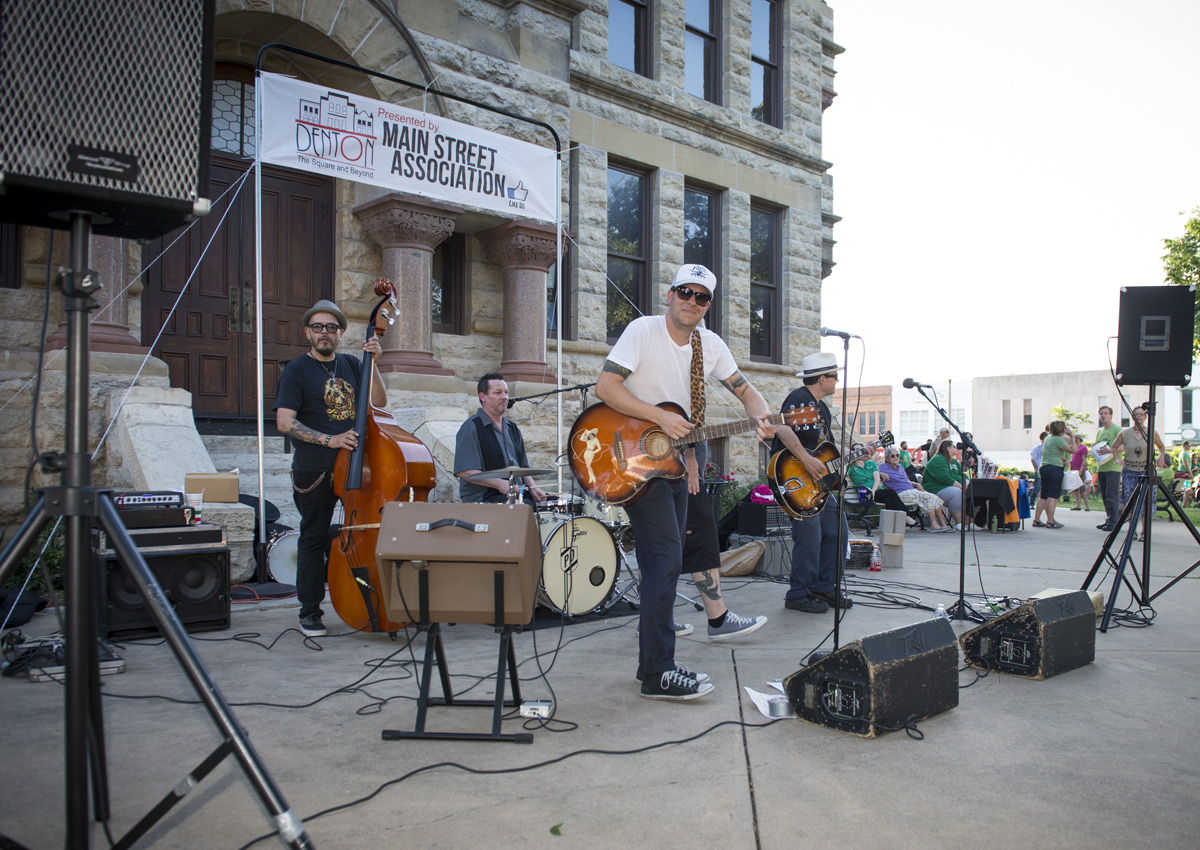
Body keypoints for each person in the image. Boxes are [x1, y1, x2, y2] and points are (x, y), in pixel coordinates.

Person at [595, 263, 773, 700]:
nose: (692, 302)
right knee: (666, 558)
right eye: (685, 293)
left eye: (702, 297)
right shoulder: (644, 330)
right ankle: (658, 671)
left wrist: (762, 417)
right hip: (632, 460)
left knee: (667, 562)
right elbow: (606, 386)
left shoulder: (707, 346)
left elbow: (745, 390)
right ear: (670, 295)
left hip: (673, 463)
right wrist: (660, 418)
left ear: (708, 306)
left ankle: (656, 664)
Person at [275, 299, 387, 638]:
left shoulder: (353, 364)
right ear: (308, 332)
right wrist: (330, 440)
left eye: (332, 328)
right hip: (315, 469)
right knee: (312, 538)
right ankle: (310, 610)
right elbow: (284, 422)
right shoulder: (297, 370)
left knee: (363, 534)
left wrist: (374, 364)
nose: (325, 333)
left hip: (354, 466)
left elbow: (378, 402)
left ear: (340, 334)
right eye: (319, 327)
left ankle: (368, 602)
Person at [771, 351, 855, 615]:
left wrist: (857, 450)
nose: (837, 381)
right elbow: (782, 428)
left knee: (837, 530)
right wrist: (806, 459)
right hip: (795, 480)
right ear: (822, 378)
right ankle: (799, 592)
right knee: (810, 536)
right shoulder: (798, 399)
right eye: (834, 377)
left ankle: (824, 586)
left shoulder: (823, 409)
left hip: (820, 482)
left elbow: (825, 448)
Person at [681, 449, 767, 640]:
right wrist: (690, 457)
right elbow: (686, 420)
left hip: (662, 473)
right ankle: (718, 619)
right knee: (703, 538)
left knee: (657, 543)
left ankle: (652, 622)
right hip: (680, 471)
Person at [454, 373, 547, 504]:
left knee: (555, 504)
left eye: (506, 393)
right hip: (483, 498)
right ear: (483, 397)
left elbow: (523, 467)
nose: (504, 397)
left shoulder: (512, 427)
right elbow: (465, 471)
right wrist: (500, 484)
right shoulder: (471, 427)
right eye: (498, 393)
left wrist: (533, 487)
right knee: (526, 506)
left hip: (515, 495)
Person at [1110, 404, 1168, 536]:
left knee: (1146, 502)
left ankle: (1144, 531)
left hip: (1146, 471)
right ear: (1132, 416)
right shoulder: (1124, 433)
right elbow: (1114, 447)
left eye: (1141, 414)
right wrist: (1118, 459)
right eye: (1136, 414)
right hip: (1130, 471)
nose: (1139, 417)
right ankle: (1132, 530)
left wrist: (1161, 456)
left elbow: (1161, 446)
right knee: (1131, 501)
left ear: (1145, 417)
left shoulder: (1152, 432)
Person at [878, 449, 950, 531]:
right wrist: (881, 474)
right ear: (887, 458)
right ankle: (934, 525)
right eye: (892, 456)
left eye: (897, 455)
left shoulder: (900, 467)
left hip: (911, 491)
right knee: (928, 497)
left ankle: (943, 524)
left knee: (934, 497)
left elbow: (907, 481)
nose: (896, 457)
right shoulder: (883, 467)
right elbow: (874, 472)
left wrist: (916, 484)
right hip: (899, 493)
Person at [846, 444, 913, 521]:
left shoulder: (871, 463)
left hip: (875, 492)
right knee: (890, 491)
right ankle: (906, 516)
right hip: (864, 494)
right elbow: (842, 474)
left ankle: (889, 526)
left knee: (889, 500)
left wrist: (873, 491)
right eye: (854, 450)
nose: (857, 452)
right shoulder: (850, 466)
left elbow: (877, 479)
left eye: (860, 450)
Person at [1032, 420, 1074, 529]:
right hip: (1054, 468)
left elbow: (1050, 452)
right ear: (1062, 430)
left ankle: (1036, 520)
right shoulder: (1058, 440)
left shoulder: (1048, 439)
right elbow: (1073, 450)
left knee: (1044, 495)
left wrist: (1061, 458)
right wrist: (1072, 435)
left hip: (1044, 467)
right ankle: (1050, 521)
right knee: (1053, 496)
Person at [922, 440, 965, 528]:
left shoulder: (955, 462)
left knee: (974, 490)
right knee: (956, 492)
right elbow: (944, 478)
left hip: (947, 487)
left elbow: (960, 476)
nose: (956, 449)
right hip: (935, 488)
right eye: (953, 446)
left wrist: (967, 484)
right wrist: (962, 487)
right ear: (948, 448)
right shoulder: (938, 459)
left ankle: (968, 523)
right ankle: (959, 523)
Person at [1094, 406, 1121, 531]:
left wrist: (1110, 450)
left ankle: (1114, 521)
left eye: (1106, 413)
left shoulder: (1117, 429)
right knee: (1104, 495)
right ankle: (1109, 518)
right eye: (1101, 413)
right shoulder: (1100, 431)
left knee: (1112, 494)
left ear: (1111, 415)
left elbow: (1124, 446)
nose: (1103, 416)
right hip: (1102, 467)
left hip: (1113, 467)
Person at [1067, 434, 1090, 511]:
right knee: (1075, 488)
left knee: (1081, 487)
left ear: (1078, 439)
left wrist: (1081, 470)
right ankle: (1078, 505)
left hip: (1079, 470)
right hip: (1073, 470)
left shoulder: (1083, 448)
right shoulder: (1074, 448)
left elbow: (1084, 460)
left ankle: (1087, 506)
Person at [1029, 431, 1047, 506]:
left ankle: (1043, 503)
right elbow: (1033, 459)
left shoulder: (1048, 447)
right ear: (1042, 439)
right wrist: (1036, 469)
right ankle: (1031, 502)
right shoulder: (1037, 448)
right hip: (1039, 469)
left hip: (1046, 469)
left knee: (1045, 487)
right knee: (1037, 486)